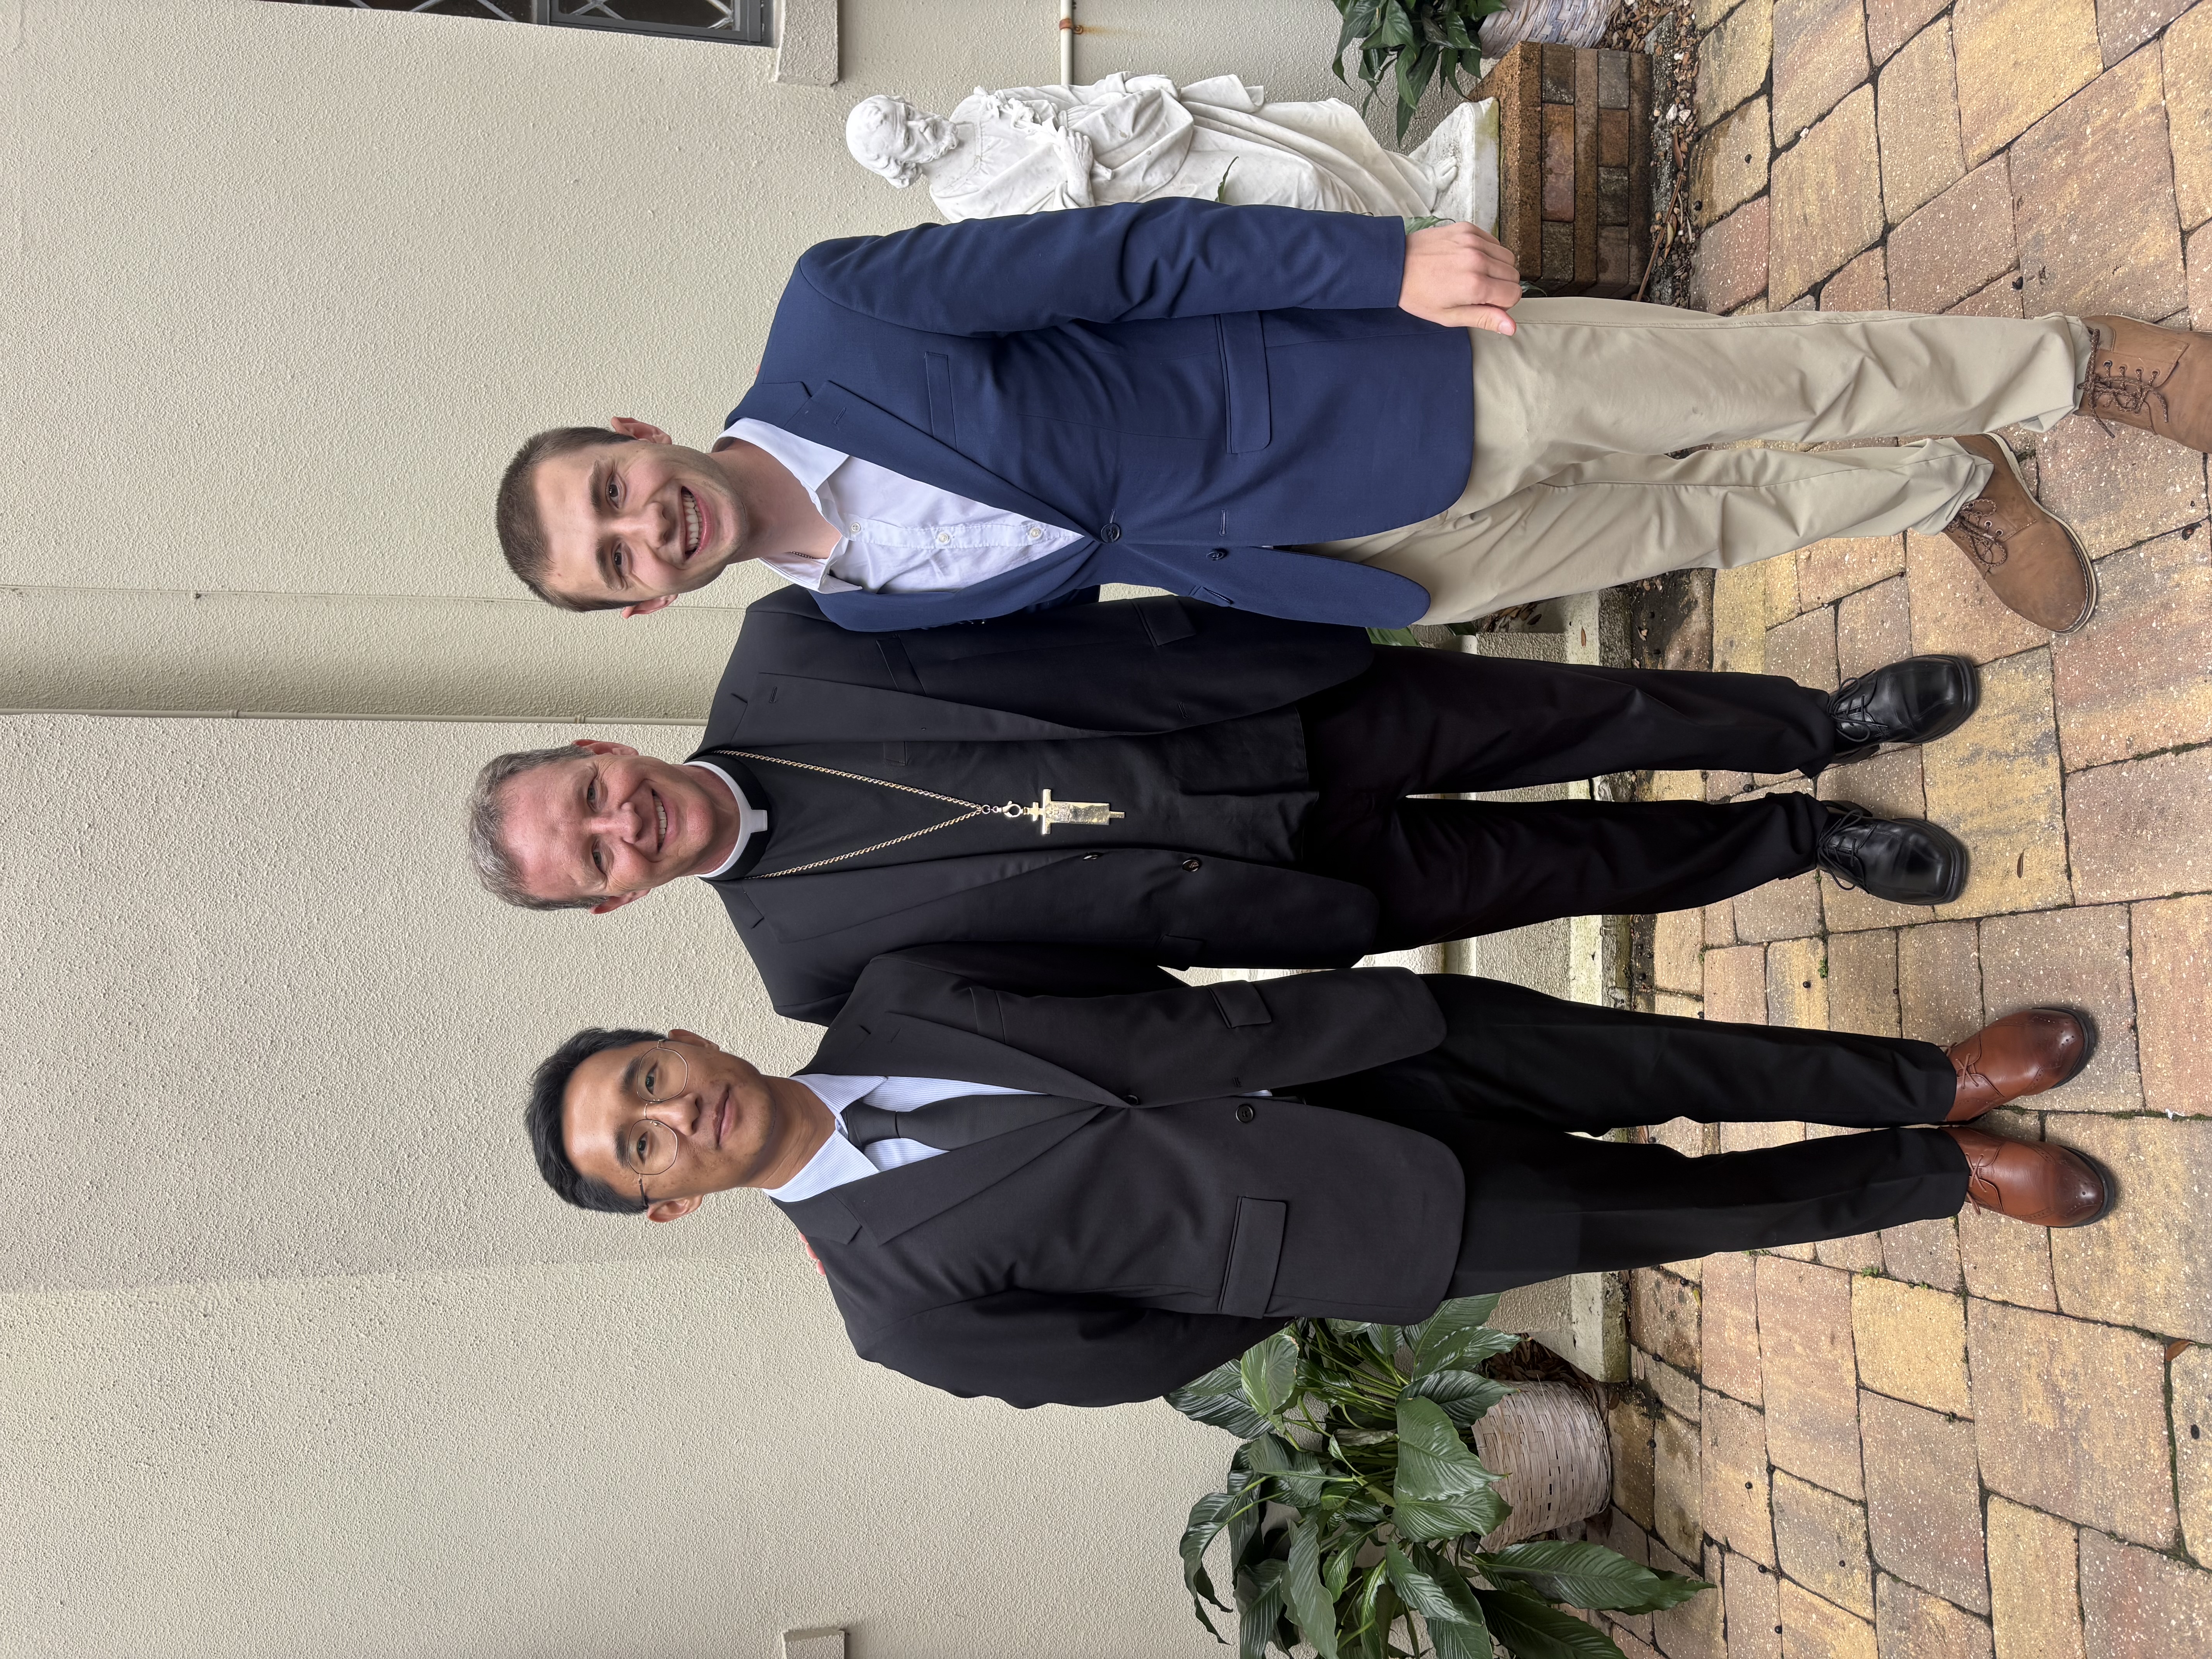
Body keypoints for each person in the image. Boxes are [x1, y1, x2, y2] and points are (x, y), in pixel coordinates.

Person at [494, 199, 2212, 634]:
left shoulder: (834, 315)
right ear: (641, 602)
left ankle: (2082, 364)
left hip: (1379, 376)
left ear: (635, 432)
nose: (646, 526)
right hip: (1351, 563)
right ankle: (1949, 486)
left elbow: (1124, 254)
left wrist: (1379, 266)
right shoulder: (852, 616)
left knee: (1766, 377)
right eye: (615, 558)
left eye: (612, 490)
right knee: (1699, 518)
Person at [523, 944, 2110, 1409]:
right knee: (1688, 1214)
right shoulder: (895, 1309)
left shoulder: (896, 993)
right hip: (1372, 1226)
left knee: (1666, 1061)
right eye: (641, 1144)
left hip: (1362, 1042)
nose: (676, 1113)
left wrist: (1241, 1041)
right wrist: (1279, 1260)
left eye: (645, 1079)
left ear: (678, 1036)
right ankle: (1937, 1178)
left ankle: (1932, 1081)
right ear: (670, 1202)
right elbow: (1126, 1356)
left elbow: (1112, 971)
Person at [467, 586, 1976, 1023]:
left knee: (1579, 714)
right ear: (610, 901)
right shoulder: (803, 973)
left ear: (601, 745)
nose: (621, 822)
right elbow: (1063, 1002)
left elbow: (1018, 580)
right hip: (1269, 888)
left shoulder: (784, 640)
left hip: (1258, 701)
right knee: (1577, 863)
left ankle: (1819, 726)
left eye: (589, 793)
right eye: (590, 856)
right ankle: (1807, 842)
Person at [842, 76, 1446, 220]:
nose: (924, 124)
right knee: (1303, 187)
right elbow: (1047, 245)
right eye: (910, 134)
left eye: (910, 112)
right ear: (904, 164)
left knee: (1305, 139)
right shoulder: (960, 200)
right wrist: (1075, 176)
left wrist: (1127, 87)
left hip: (1155, 127)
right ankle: (1410, 240)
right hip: (1151, 197)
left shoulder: (977, 109)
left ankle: (1414, 193)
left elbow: (1070, 96)